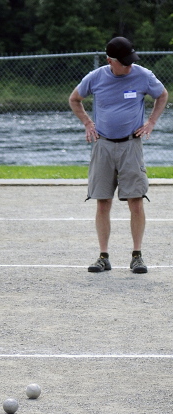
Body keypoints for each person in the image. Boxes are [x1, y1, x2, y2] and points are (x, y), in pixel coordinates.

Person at [69, 36, 168, 274]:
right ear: (110, 60)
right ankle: (103, 256)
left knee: (135, 200)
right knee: (102, 202)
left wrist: (151, 123)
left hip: (131, 146)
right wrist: (87, 123)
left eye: (130, 60)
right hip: (102, 145)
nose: (129, 65)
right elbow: (75, 99)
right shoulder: (96, 77)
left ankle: (137, 256)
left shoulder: (143, 75)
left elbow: (162, 95)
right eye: (123, 62)